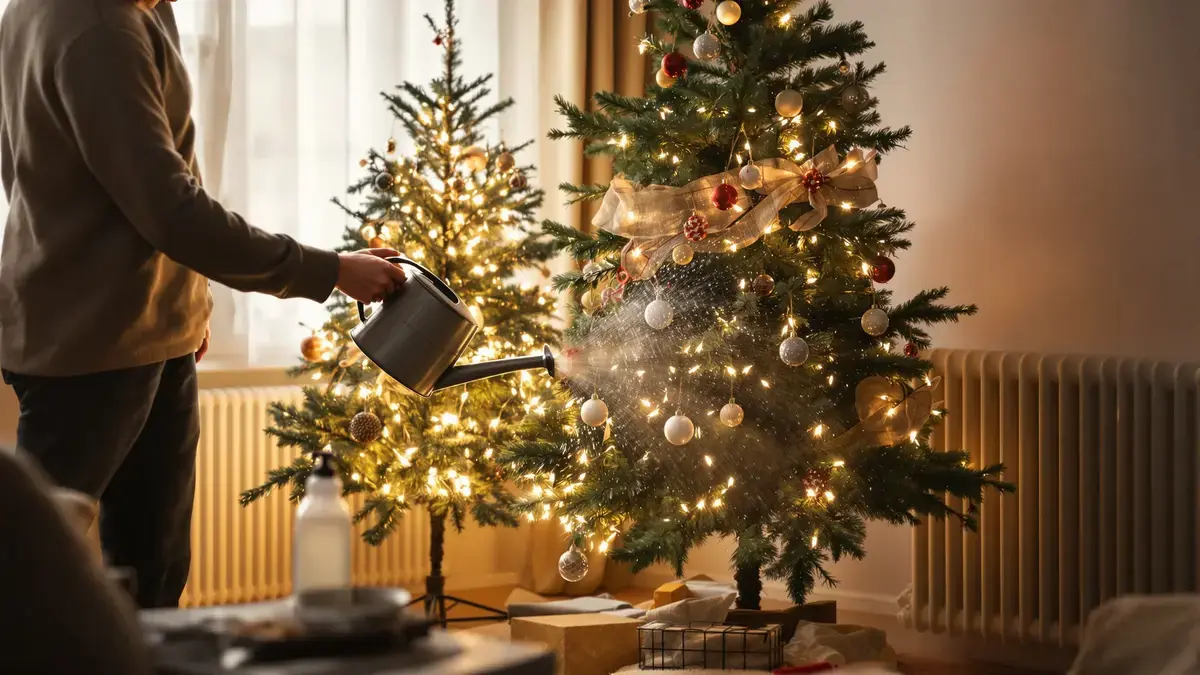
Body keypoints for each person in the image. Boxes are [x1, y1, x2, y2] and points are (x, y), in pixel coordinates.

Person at [0, 0, 406, 608]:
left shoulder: (129, 12)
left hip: (152, 331)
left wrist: (188, 300)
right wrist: (331, 270)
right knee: (31, 571)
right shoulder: (95, 26)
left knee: (155, 566)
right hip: (94, 341)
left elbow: (154, 175)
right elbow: (169, 207)